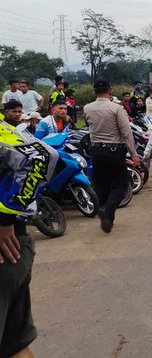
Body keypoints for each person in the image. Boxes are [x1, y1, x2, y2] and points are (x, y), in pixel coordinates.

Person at [0, 113, 56, 358]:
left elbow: (41, 157)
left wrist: (4, 220)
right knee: (14, 345)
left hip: (6, 247)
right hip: (14, 249)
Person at [83, 80, 140, 233]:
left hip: (96, 150)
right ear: (110, 90)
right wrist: (134, 154)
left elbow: (88, 125)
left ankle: (107, 214)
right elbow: (126, 132)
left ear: (94, 91)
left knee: (101, 184)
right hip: (114, 151)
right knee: (120, 184)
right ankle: (107, 211)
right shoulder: (116, 108)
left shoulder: (87, 108)